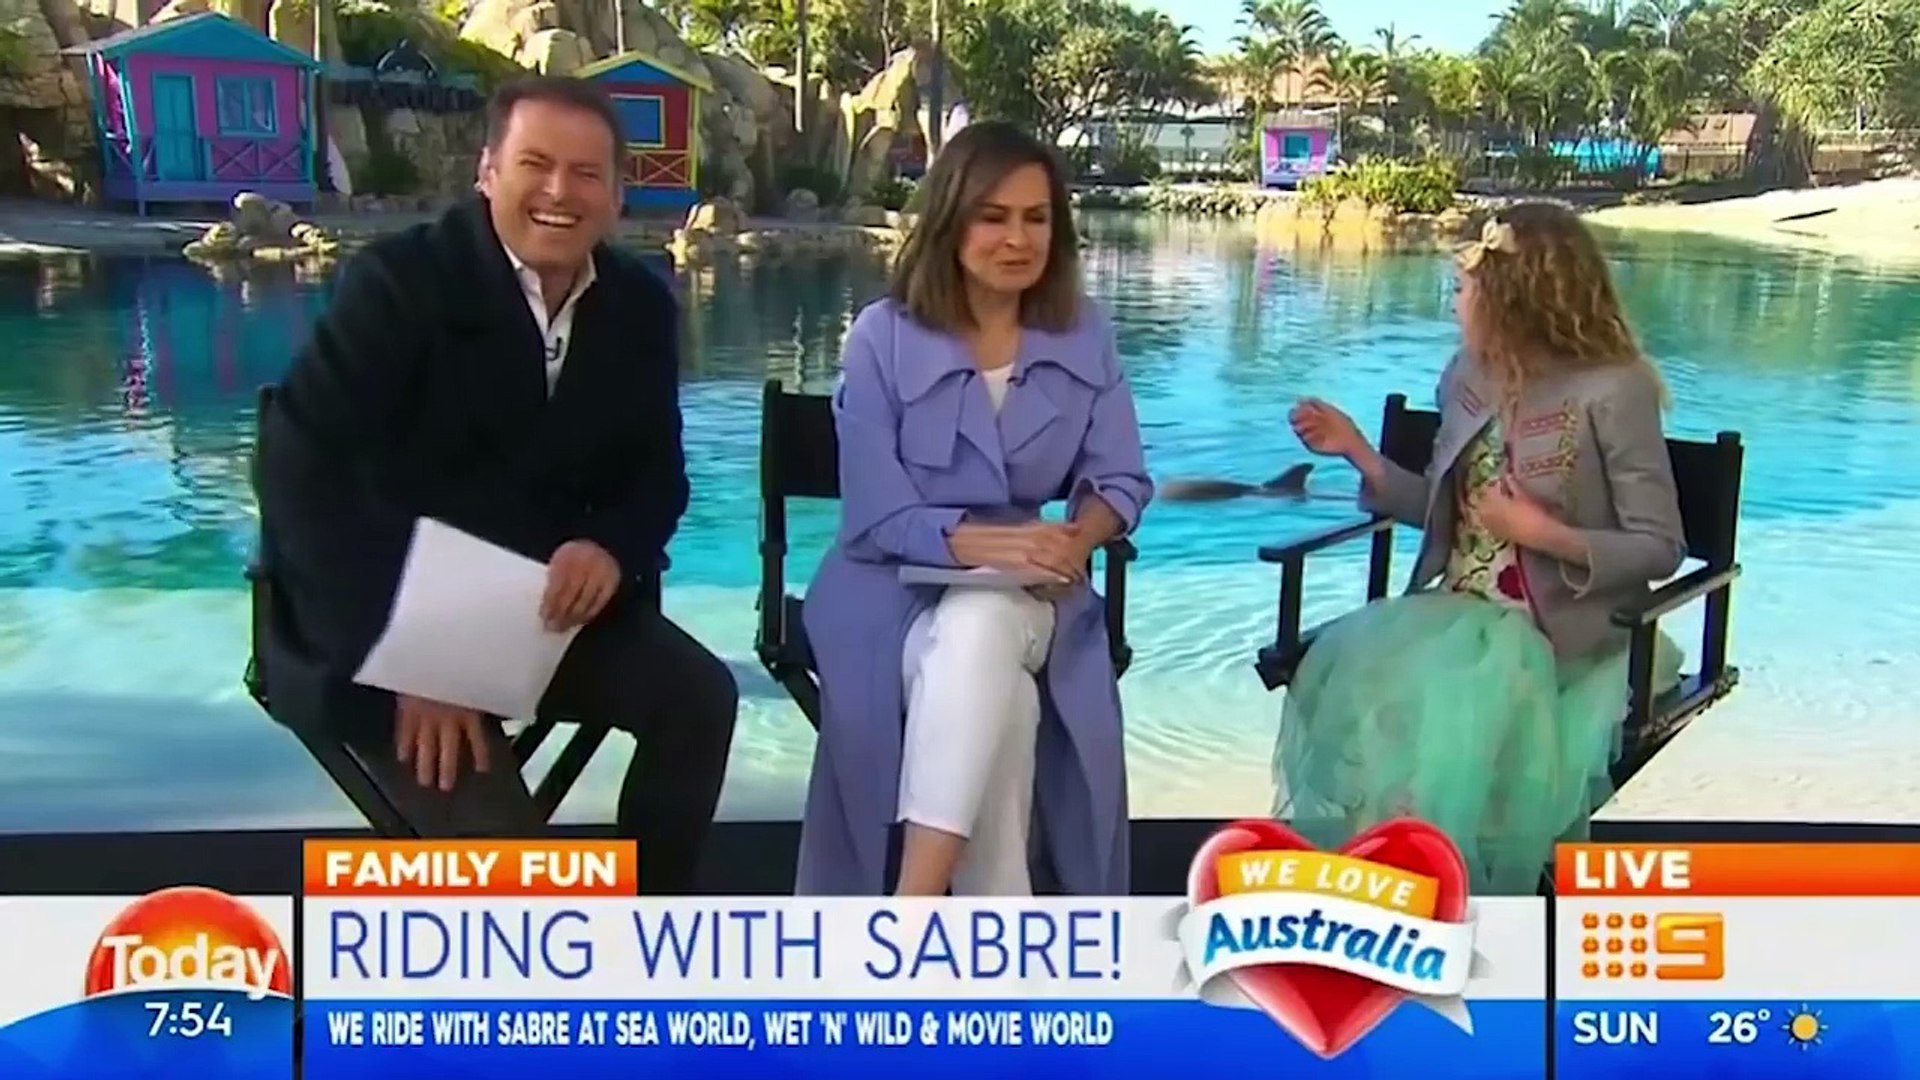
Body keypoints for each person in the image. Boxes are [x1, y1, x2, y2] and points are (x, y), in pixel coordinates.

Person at [255, 76, 738, 893]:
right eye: (536, 165)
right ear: (488, 172)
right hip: (374, 629)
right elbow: (300, 477)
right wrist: (420, 660)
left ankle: (651, 929)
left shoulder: (640, 307)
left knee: (699, 699)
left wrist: (609, 547)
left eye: (586, 173)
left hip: (533, 615)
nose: (560, 192)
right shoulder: (399, 284)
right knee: (514, 871)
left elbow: (657, 477)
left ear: (617, 195)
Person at [1275, 203, 1685, 894]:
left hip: (1563, 637)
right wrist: (1358, 453)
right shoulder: (1468, 377)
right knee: (1364, 699)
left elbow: (1660, 546)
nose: (1454, 299)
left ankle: (1447, 897)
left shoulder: (1615, 388)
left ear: (1513, 296)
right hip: (1459, 617)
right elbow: (1447, 519)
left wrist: (1541, 534)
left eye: (1465, 286)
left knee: (1446, 723)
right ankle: (1391, 896)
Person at [796, 121, 1153, 897]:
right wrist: (992, 546)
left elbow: (1121, 479)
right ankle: (999, 919)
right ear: (950, 222)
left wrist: (1076, 540)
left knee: (983, 622)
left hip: (1033, 589)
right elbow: (876, 514)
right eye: (994, 217)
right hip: (880, 594)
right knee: (1005, 697)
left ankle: (910, 910)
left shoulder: (1085, 333)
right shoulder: (881, 338)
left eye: (1036, 218)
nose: (1017, 238)